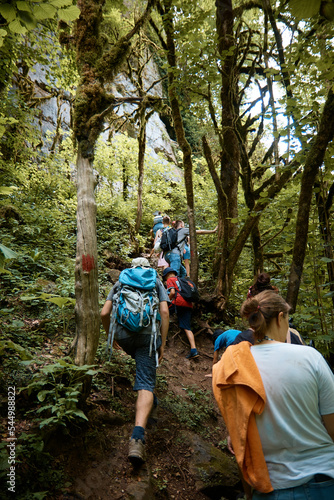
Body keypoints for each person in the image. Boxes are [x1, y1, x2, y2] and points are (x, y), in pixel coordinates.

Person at [212, 290, 334, 500]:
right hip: (322, 481)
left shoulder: (234, 367)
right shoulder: (310, 357)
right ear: (280, 318)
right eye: (287, 319)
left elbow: (241, 439)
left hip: (268, 486)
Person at [101, 257, 169, 465]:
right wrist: (163, 343)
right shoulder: (155, 280)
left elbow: (104, 312)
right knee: (146, 383)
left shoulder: (121, 281)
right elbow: (165, 311)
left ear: (132, 268)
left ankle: (151, 401)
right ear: (148, 268)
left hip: (123, 335)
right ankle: (138, 438)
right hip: (148, 337)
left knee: (141, 367)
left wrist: (110, 337)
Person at [162, 267, 199, 359]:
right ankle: (194, 349)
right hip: (188, 304)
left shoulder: (170, 279)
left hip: (178, 302)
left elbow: (172, 292)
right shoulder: (183, 280)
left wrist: (166, 302)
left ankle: (163, 338)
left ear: (167, 275)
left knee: (162, 314)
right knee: (187, 327)